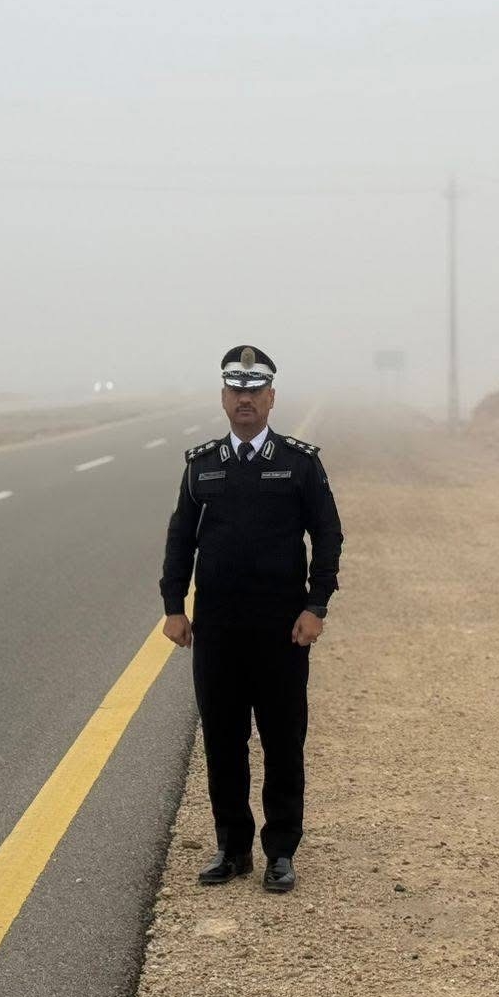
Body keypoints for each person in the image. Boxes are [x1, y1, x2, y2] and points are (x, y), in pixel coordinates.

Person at [159, 345, 343, 893]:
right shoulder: (202, 465)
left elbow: (328, 535)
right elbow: (180, 539)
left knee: (283, 742)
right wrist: (174, 606)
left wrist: (316, 606)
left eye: (255, 390)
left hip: (281, 629)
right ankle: (233, 848)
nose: (245, 399)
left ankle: (281, 851)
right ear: (223, 397)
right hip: (218, 629)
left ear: (271, 397)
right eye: (236, 390)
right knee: (223, 741)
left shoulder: (299, 462)